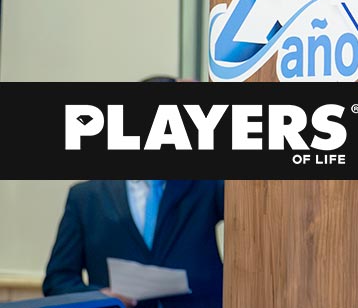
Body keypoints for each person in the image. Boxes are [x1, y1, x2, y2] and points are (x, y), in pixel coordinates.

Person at [43, 77, 224, 308]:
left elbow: (251, 211)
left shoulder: (206, 185)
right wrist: (99, 296)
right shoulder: (86, 198)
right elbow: (58, 281)